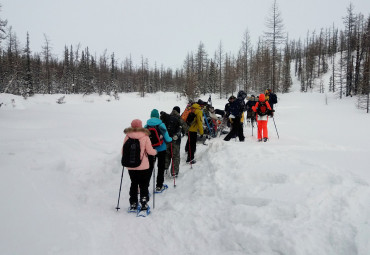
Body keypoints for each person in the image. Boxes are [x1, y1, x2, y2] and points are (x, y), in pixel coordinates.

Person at [122, 119, 157, 212]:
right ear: (141, 126)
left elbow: (123, 151)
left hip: (131, 166)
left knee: (134, 183)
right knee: (143, 184)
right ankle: (144, 203)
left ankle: (133, 203)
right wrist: (155, 152)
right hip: (143, 166)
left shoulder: (127, 136)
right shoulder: (145, 137)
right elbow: (149, 151)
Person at [145, 109, 172, 192]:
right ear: (157, 116)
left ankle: (145, 187)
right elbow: (167, 139)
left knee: (149, 168)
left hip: (150, 150)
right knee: (160, 167)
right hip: (161, 150)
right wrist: (171, 139)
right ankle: (159, 186)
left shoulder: (146, 126)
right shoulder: (161, 125)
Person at [161, 106, 188, 177]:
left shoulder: (167, 117)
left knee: (167, 154)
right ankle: (174, 172)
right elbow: (185, 129)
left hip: (166, 139)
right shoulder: (179, 118)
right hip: (175, 141)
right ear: (178, 112)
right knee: (175, 156)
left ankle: (165, 168)